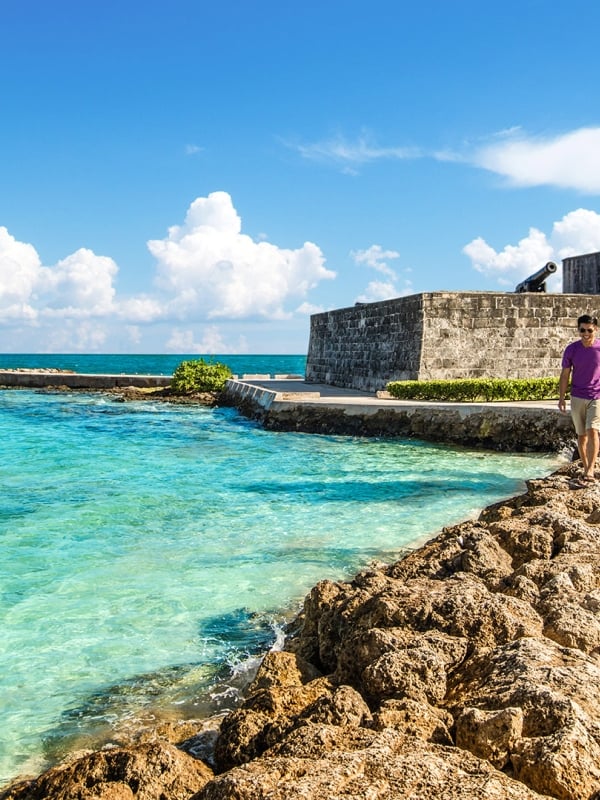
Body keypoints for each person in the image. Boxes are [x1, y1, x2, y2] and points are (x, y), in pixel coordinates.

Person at [559, 313, 600, 484]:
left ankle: (590, 470)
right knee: (581, 435)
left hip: (596, 396)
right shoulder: (571, 349)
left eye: (589, 330)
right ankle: (585, 467)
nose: (585, 334)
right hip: (576, 397)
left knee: (593, 430)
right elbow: (565, 374)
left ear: (596, 330)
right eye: (582, 330)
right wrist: (561, 398)